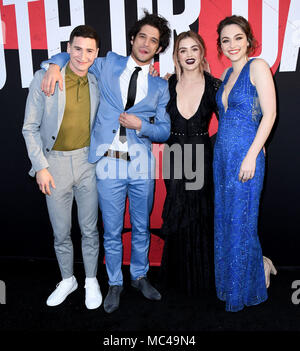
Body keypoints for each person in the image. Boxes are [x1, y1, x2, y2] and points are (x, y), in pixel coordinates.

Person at [41, 11, 171, 313]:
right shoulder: (108, 63)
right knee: (111, 230)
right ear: (132, 39)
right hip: (108, 164)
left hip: (140, 164)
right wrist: (52, 66)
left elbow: (164, 130)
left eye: (153, 41)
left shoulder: (161, 86)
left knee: (141, 226)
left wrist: (142, 126)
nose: (146, 44)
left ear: (158, 48)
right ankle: (114, 282)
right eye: (142, 37)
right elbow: (74, 58)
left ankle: (139, 275)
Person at [22, 25, 102, 309]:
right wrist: (40, 167)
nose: (82, 56)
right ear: (68, 49)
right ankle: (68, 279)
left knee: (90, 229)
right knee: (61, 232)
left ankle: (91, 280)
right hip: (53, 164)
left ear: (96, 54)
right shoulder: (45, 77)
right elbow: (29, 128)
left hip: (87, 163)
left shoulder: (96, 81)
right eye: (77, 49)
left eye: (89, 50)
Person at [213, 15, 277, 312]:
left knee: (242, 222)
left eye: (237, 38)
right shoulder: (226, 74)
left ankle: (249, 284)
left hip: (246, 158)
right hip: (222, 158)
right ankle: (246, 272)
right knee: (228, 220)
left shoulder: (258, 67)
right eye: (225, 40)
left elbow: (270, 114)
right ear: (221, 46)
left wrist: (253, 153)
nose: (232, 45)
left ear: (248, 40)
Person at [160, 31, 221, 296]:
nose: (188, 55)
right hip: (174, 157)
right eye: (182, 50)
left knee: (199, 215)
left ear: (202, 52)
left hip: (201, 158)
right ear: (176, 56)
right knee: (178, 212)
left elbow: (231, 123)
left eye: (193, 49)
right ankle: (176, 281)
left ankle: (202, 280)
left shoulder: (215, 86)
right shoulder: (165, 84)